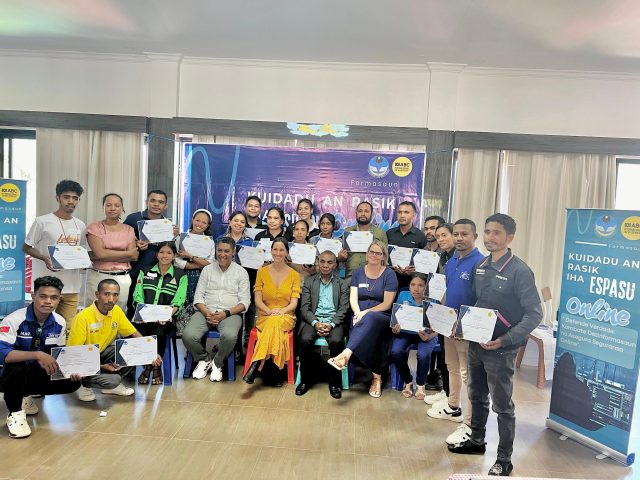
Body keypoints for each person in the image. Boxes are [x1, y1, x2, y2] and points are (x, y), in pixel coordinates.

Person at [448, 213, 543, 478]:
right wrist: (462, 325)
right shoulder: (481, 266)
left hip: (501, 350)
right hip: (476, 344)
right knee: (476, 396)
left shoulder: (519, 271)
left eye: (497, 233)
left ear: (510, 237)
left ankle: (504, 460)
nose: (490, 237)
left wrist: (506, 339)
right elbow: (477, 303)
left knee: (502, 406)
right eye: (488, 231)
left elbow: (534, 314)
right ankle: (477, 441)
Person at [426, 219, 485, 447]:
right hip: (448, 326)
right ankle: (453, 406)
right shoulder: (452, 261)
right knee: (451, 367)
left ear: (474, 236)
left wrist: (464, 324)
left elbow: (482, 300)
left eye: (464, 234)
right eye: (457, 234)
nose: (459, 238)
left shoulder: (480, 263)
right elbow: (446, 293)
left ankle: (469, 424)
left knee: (467, 374)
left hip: (465, 330)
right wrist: (437, 318)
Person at [0, 276, 81, 439]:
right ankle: (15, 413)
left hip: (33, 372)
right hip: (6, 374)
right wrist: (37, 354)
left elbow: (57, 355)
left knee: (73, 383)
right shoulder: (14, 319)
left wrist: (69, 370)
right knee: (16, 367)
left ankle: (24, 395)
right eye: (43, 296)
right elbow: (2, 354)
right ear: (33, 295)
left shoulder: (60, 322)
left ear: (59, 299)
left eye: (54, 297)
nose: (48, 301)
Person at [68, 279, 162, 401]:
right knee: (114, 380)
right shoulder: (82, 318)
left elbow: (134, 333)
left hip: (101, 353)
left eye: (115, 295)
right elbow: (74, 356)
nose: (111, 299)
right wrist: (103, 367)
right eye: (106, 294)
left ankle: (108, 387)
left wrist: (151, 352)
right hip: (81, 360)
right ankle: (82, 385)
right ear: (97, 295)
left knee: (132, 349)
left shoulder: (116, 311)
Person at [328, 241, 398, 398]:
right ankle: (376, 377)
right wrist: (358, 313)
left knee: (371, 319)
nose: (374, 255)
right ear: (367, 253)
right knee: (366, 328)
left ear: (384, 256)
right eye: (371, 252)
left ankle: (346, 355)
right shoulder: (359, 272)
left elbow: (387, 304)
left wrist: (365, 313)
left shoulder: (389, 274)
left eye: (378, 253)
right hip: (359, 315)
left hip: (381, 316)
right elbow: (353, 298)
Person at [183, 237, 250, 382]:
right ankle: (204, 359)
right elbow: (198, 297)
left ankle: (217, 363)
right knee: (188, 335)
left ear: (233, 252)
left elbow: (244, 303)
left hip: (230, 314)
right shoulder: (207, 270)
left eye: (226, 251)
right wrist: (206, 312)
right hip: (205, 312)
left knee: (230, 336)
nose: (222, 254)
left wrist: (225, 313)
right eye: (219, 250)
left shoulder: (241, 272)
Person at [23, 179, 87, 329]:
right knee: (41, 327)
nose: (71, 201)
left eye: (75, 198)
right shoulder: (42, 222)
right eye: (66, 197)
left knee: (67, 329)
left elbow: (81, 251)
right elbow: (26, 247)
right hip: (46, 287)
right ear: (58, 198)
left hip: (72, 287)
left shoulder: (80, 225)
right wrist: (45, 258)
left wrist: (83, 263)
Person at [243, 238, 300, 386]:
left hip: (286, 316)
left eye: (281, 250)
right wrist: (269, 311)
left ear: (287, 252)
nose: (278, 253)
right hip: (265, 315)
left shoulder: (294, 275)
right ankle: (275, 370)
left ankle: (257, 363)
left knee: (275, 322)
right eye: (275, 249)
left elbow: (293, 304)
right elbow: (257, 301)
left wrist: (281, 311)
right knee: (274, 324)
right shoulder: (262, 272)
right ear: (271, 251)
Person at [132, 242, 187, 385]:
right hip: (144, 317)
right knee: (139, 330)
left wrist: (167, 315)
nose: (165, 256)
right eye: (162, 252)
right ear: (156, 254)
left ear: (174, 256)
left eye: (169, 253)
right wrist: (142, 313)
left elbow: (179, 301)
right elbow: (138, 295)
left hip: (167, 319)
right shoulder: (145, 271)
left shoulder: (180, 275)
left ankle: (150, 368)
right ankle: (154, 367)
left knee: (159, 330)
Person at [297, 251, 349, 398]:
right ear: (318, 263)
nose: (325, 265)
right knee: (305, 339)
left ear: (335, 265)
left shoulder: (342, 284)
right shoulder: (309, 282)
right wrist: (315, 323)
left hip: (334, 321)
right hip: (313, 320)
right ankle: (305, 381)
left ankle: (335, 383)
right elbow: (304, 308)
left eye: (329, 262)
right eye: (322, 261)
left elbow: (343, 309)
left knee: (336, 341)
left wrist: (331, 324)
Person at [123, 189, 179, 316]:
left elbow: (170, 251)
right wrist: (135, 244)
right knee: (132, 308)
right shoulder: (133, 218)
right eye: (153, 200)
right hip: (134, 272)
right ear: (146, 202)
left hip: (157, 275)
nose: (156, 204)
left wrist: (175, 236)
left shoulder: (168, 225)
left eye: (161, 202)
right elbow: (120, 239)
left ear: (165, 206)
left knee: (152, 310)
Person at [85, 193, 138, 311]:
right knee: (93, 312)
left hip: (122, 278)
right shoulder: (94, 227)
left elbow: (133, 256)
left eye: (117, 205)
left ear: (122, 208)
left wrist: (103, 254)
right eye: (108, 205)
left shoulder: (129, 229)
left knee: (118, 313)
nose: (112, 208)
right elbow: (100, 253)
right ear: (103, 207)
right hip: (98, 276)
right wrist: (126, 253)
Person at [390, 273, 438, 400]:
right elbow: (395, 320)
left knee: (423, 355)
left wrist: (429, 336)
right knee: (396, 351)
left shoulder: (433, 300)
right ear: (409, 285)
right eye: (413, 285)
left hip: (426, 334)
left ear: (426, 287)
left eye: (421, 285)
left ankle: (421, 384)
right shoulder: (403, 295)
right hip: (406, 332)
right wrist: (395, 330)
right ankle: (408, 381)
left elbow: (439, 327)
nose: (416, 289)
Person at [174, 209, 215, 335]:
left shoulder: (210, 242)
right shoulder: (181, 238)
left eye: (204, 222)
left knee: (199, 307)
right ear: (192, 220)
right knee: (182, 305)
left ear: (208, 225)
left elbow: (210, 264)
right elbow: (176, 260)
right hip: (182, 277)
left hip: (202, 278)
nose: (200, 224)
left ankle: (197, 340)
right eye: (197, 220)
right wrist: (197, 264)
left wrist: (190, 257)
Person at [338, 201, 388, 281]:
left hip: (373, 277)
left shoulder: (380, 233)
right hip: (351, 276)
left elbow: (385, 258)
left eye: (366, 211)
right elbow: (342, 257)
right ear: (356, 213)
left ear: (372, 214)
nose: (363, 214)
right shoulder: (347, 231)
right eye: (360, 211)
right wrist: (341, 258)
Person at [386, 201, 427, 290]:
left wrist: (414, 271)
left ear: (414, 215)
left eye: (406, 212)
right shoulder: (389, 234)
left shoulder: (421, 236)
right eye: (399, 212)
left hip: (411, 285)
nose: (402, 215)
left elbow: (425, 263)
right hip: (389, 282)